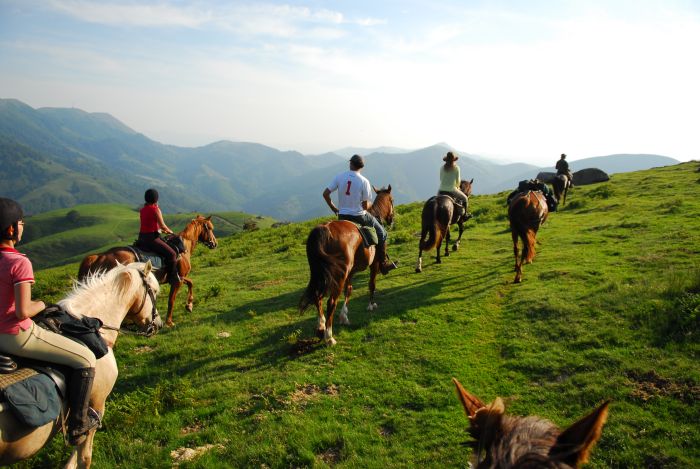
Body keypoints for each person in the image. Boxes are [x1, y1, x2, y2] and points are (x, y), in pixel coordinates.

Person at [0, 198, 99, 445]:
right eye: (21, 223)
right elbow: (23, 311)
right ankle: (79, 424)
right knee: (85, 359)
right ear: (12, 229)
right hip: (15, 335)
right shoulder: (19, 262)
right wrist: (42, 304)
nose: (23, 227)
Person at [323, 155, 397, 274]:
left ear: (350, 164)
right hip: (359, 216)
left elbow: (325, 194)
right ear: (361, 167)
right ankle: (383, 265)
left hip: (342, 216)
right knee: (382, 233)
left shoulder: (339, 177)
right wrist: (370, 204)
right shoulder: (364, 181)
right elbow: (364, 206)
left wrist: (334, 208)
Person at [138, 188, 179, 285]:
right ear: (156, 199)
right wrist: (171, 232)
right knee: (172, 254)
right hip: (152, 239)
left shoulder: (142, 210)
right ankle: (172, 277)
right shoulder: (156, 209)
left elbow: (149, 225)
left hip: (141, 238)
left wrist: (160, 230)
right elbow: (163, 226)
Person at [438, 151, 470, 217]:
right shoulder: (456, 168)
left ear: (446, 160)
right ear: (453, 160)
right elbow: (458, 181)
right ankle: (465, 215)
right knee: (465, 199)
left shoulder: (442, 168)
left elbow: (441, 179)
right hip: (452, 189)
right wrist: (458, 187)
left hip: (441, 190)